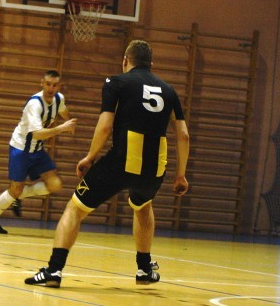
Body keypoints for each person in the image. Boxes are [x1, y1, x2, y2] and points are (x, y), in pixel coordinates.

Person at [24, 40, 190, 288]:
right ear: (151, 64)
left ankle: (54, 270)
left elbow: (105, 125)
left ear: (126, 60)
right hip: (155, 167)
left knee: (75, 209)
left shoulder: (117, 82)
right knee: (143, 206)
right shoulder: (169, 90)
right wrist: (180, 175)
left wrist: (89, 157)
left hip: (121, 161)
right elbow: (184, 135)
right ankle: (145, 269)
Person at [0, 70, 76, 234]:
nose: (50, 88)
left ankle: (15, 197)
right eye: (47, 84)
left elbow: (62, 110)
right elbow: (37, 133)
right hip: (21, 149)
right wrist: (61, 128)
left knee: (55, 184)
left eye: (54, 85)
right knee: (15, 189)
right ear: (42, 83)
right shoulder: (35, 104)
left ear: (58, 86)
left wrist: (69, 120)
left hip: (37, 150)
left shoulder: (59, 99)